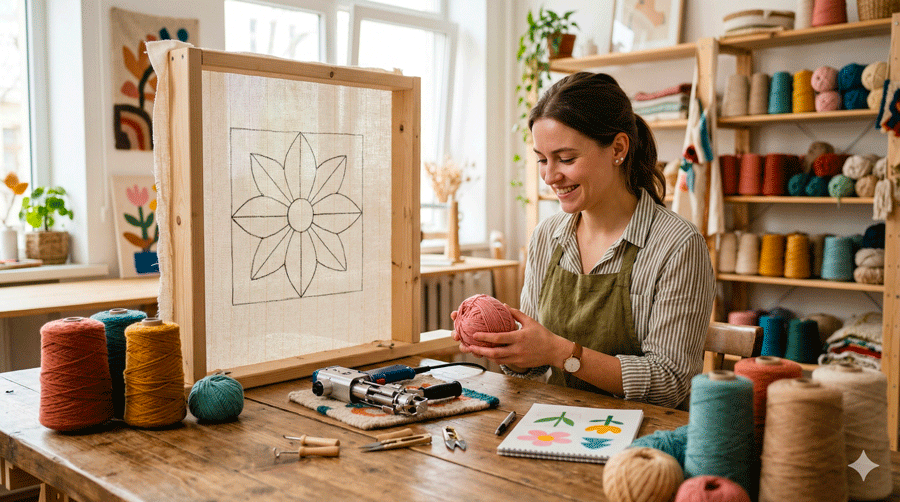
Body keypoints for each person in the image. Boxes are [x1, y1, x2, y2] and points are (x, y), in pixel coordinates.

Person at [453, 72, 715, 408]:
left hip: (643, 443)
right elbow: (531, 374)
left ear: (618, 148)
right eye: (542, 160)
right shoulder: (547, 237)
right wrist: (512, 350)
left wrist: (558, 351)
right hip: (556, 427)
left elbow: (670, 383)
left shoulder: (677, 246)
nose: (550, 176)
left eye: (566, 159)